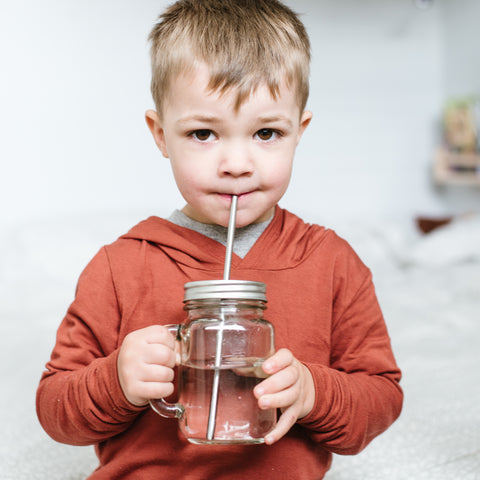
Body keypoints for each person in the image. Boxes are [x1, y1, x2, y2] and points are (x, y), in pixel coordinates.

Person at [36, 1, 403, 478]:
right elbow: (54, 410)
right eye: (204, 133)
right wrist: (116, 380)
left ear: (300, 132)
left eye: (266, 132)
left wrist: (314, 392)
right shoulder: (119, 266)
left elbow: (381, 396)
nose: (236, 163)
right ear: (161, 134)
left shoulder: (331, 262)